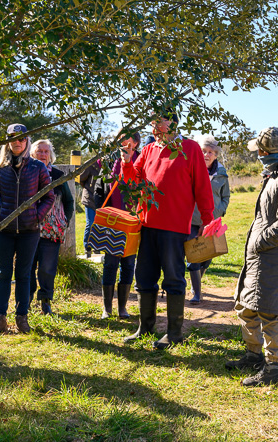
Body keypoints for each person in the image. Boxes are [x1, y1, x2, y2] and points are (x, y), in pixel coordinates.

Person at [120, 110, 215, 349]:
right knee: (144, 277)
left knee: (173, 279)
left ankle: (174, 333)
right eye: (151, 122)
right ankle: (145, 327)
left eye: (157, 122)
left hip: (175, 228)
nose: (153, 127)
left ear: (171, 122)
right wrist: (126, 160)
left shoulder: (190, 148)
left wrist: (208, 219)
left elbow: (203, 187)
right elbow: (133, 181)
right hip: (147, 225)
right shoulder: (149, 149)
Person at [226, 127, 278, 386]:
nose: (258, 155)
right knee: (247, 306)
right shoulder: (277, 173)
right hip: (261, 257)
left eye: (259, 151)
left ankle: (273, 369)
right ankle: (254, 355)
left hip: (273, 256)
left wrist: (259, 243)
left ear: (266, 152)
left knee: (271, 313)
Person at [0, 123, 55, 336]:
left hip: (29, 231)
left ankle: (22, 318)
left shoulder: (37, 167)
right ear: (8, 141)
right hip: (4, 231)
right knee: (3, 274)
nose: (17, 142)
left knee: (24, 274)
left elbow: (48, 196)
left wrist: (36, 216)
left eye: (21, 138)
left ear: (27, 141)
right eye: (13, 138)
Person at [94, 133, 140, 318]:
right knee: (110, 264)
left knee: (128, 264)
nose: (123, 143)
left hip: (131, 222)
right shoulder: (109, 160)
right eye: (121, 139)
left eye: (127, 139)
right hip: (112, 221)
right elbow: (99, 188)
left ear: (135, 143)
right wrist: (101, 212)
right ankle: (107, 308)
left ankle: (122, 308)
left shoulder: (141, 160)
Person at [29, 139, 75, 315]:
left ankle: (45, 302)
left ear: (50, 155)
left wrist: (64, 223)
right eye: (39, 151)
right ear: (32, 154)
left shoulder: (57, 176)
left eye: (46, 152)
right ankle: (26, 300)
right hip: (29, 229)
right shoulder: (26, 173)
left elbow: (69, 201)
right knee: (28, 267)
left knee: (47, 268)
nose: (42, 154)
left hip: (51, 232)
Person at [186, 134, 231, 304]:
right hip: (192, 219)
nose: (206, 155)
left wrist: (220, 210)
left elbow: (225, 196)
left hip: (212, 221)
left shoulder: (221, 173)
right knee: (194, 255)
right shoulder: (191, 168)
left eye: (210, 152)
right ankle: (197, 293)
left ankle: (196, 283)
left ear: (216, 154)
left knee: (207, 256)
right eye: (203, 151)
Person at [79, 150, 101, 259]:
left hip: (101, 199)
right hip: (89, 197)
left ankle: (97, 247)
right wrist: (88, 189)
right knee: (91, 222)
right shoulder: (91, 163)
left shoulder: (110, 164)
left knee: (99, 224)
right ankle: (87, 248)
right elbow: (81, 179)